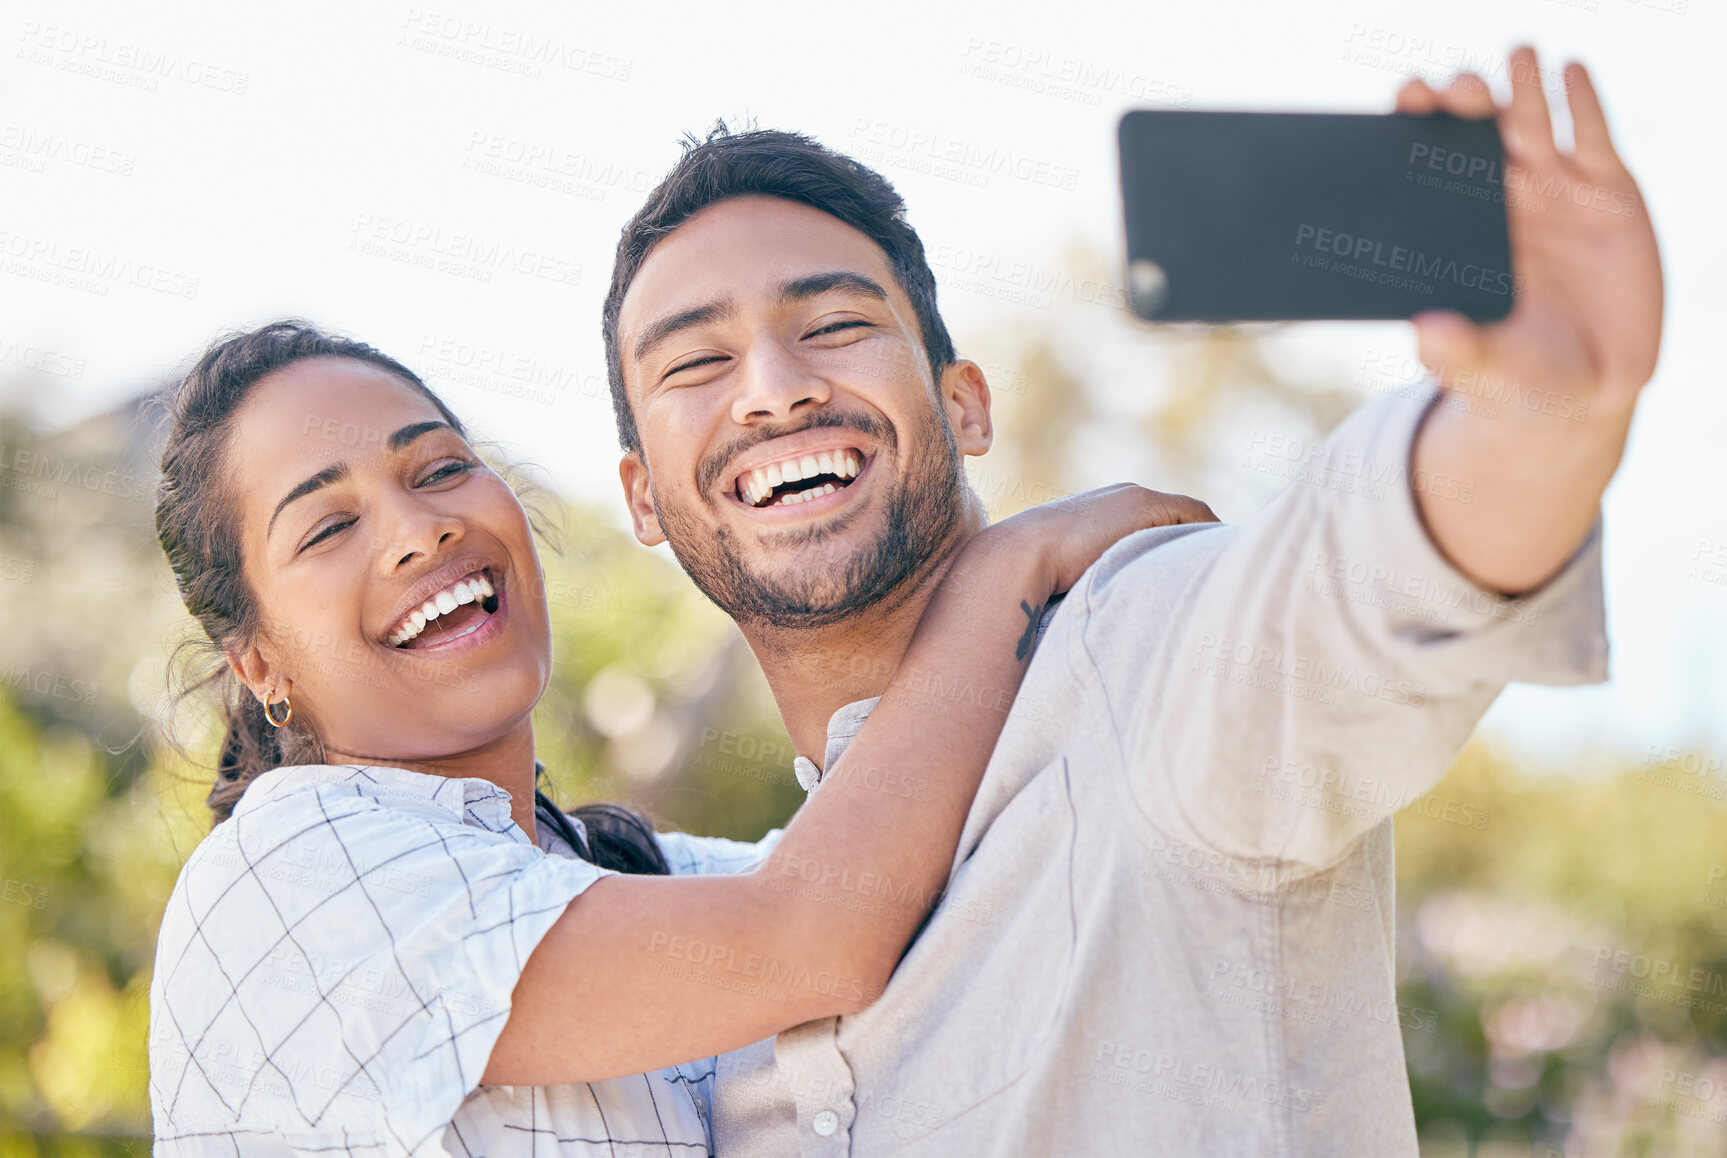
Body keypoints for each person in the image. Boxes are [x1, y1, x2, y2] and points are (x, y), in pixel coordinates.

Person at [600, 47, 1659, 1155]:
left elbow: (1358, 581)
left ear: (964, 406)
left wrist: (1540, 422)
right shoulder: (721, 1011)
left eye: (831, 325)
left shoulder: (1139, 655)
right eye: (694, 364)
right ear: (642, 499)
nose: (775, 387)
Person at [143, 321, 1213, 1156]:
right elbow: (812, 936)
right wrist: (1003, 573)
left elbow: (922, 900)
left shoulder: (629, 872)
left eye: (437, 470)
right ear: (258, 663)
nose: (420, 529)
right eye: (328, 527)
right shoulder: (289, 876)